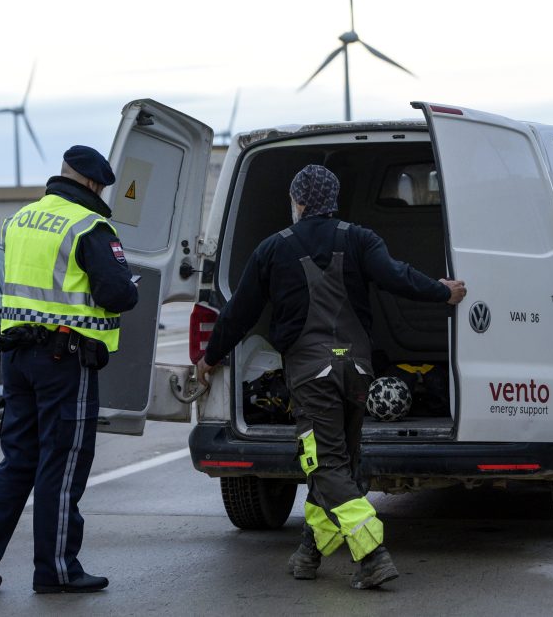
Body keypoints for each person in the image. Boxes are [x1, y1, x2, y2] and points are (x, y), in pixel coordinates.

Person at [196, 164, 466, 589]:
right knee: (341, 464)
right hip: (358, 369)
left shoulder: (273, 248)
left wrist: (210, 357)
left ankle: (372, 554)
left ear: (300, 202)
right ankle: (309, 552)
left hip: (310, 373)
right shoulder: (360, 239)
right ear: (334, 200)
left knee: (322, 463)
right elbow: (398, 277)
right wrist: (441, 291)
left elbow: (238, 314)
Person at [0, 145, 138, 593]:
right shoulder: (89, 226)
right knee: (63, 463)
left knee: (18, 459)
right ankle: (57, 570)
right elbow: (118, 295)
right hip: (64, 359)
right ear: (94, 184)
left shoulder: (19, 219)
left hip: (16, 356)